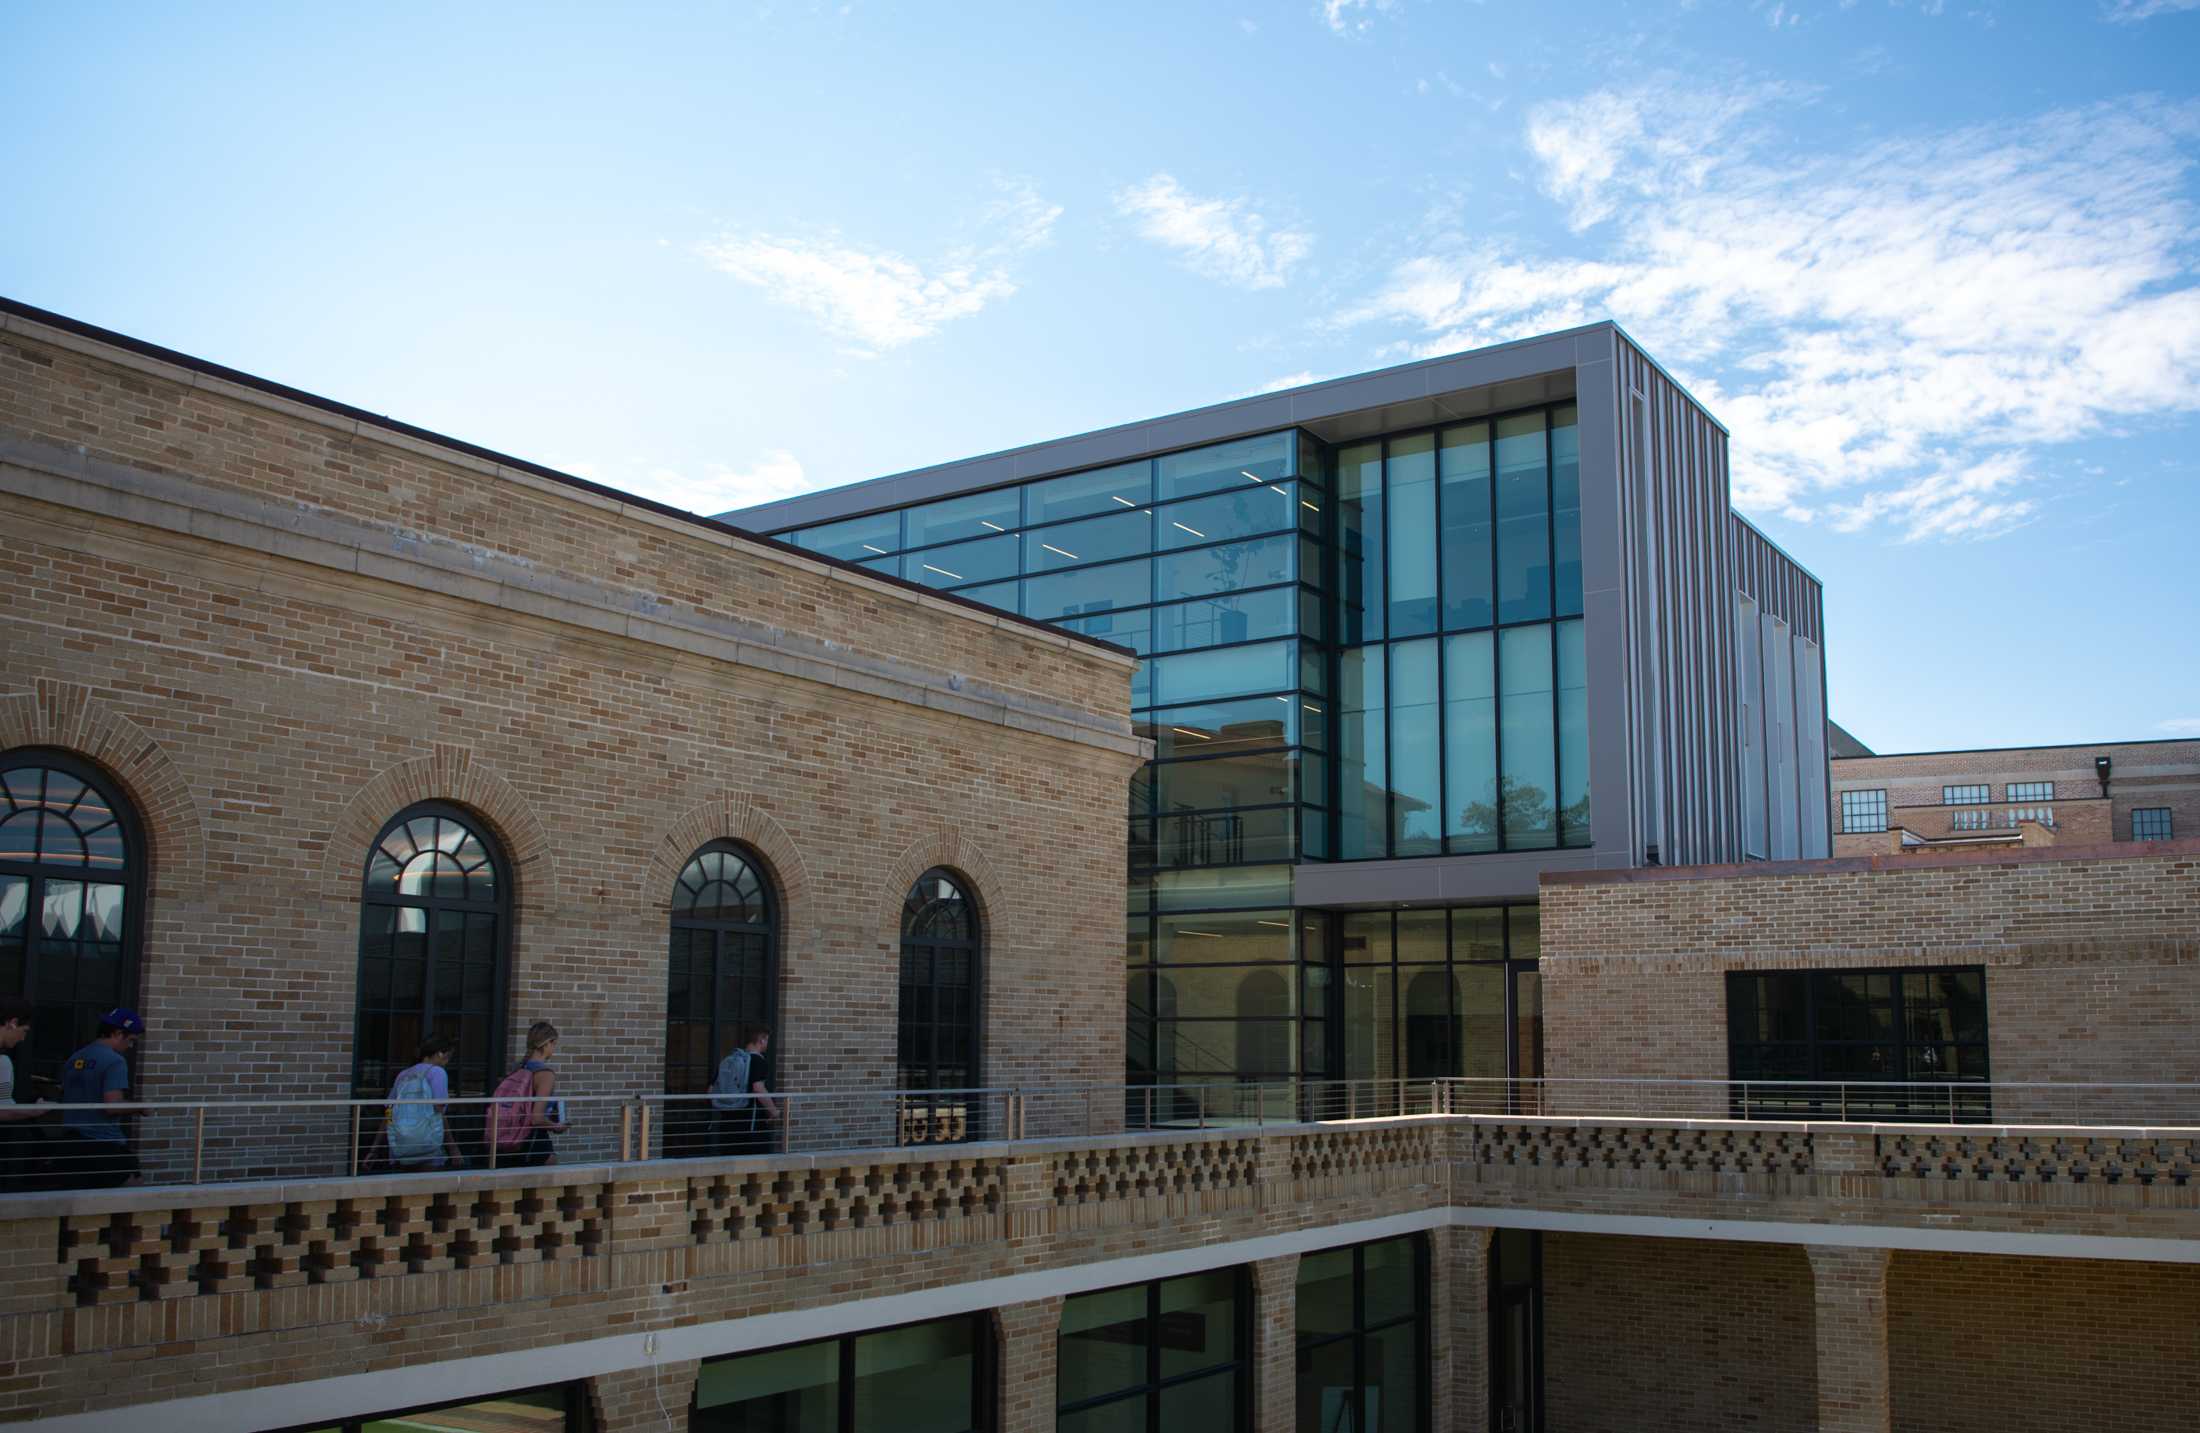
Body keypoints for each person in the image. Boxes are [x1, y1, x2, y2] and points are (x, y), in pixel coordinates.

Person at [58, 1008, 143, 1189]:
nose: (130, 1047)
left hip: (70, 1142)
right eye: (131, 1040)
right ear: (118, 1033)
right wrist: (141, 1107)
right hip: (103, 1143)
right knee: (133, 1195)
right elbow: (112, 1105)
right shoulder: (115, 1061)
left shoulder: (75, 1057)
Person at [489, 1021, 567, 1167]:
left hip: (510, 1134)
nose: (553, 1049)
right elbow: (536, 1118)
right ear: (547, 1044)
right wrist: (556, 1126)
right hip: (532, 1138)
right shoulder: (545, 1074)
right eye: (554, 1044)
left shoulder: (518, 1068)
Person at [0, 996, 56, 1186]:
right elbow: (3, 1111)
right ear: (12, 1023)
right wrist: (36, 1110)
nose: (23, 1038)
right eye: (24, 1031)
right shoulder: (2, 1062)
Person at [384, 1035, 460, 1171]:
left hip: (401, 1146)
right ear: (440, 1053)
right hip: (427, 1145)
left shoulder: (404, 1074)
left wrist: (375, 1148)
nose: (447, 1061)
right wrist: (453, 1148)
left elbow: (389, 1110)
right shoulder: (437, 1072)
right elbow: (439, 1110)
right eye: (448, 1056)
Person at [713, 1024, 781, 1156]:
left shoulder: (729, 1060)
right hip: (751, 1125)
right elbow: (758, 1088)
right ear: (761, 1040)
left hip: (727, 1122)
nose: (767, 1043)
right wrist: (774, 1111)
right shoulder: (758, 1061)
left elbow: (711, 1089)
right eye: (766, 1039)